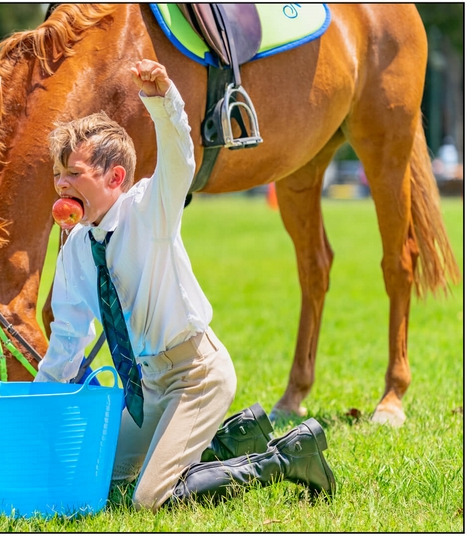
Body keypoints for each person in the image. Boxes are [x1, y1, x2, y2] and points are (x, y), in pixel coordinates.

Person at [34, 59, 335, 511]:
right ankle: (234, 439)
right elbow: (68, 337)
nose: (61, 184)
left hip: (196, 374)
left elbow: (180, 157)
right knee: (102, 478)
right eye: (59, 174)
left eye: (74, 174)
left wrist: (162, 100)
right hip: (149, 385)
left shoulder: (147, 210)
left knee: (148, 502)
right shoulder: (77, 247)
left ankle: (287, 458)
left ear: (115, 178)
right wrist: (37, 406)